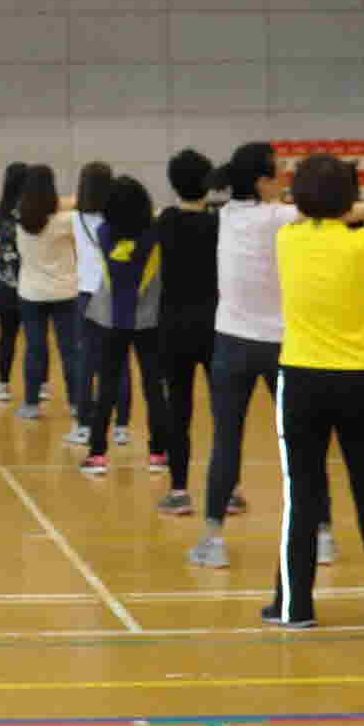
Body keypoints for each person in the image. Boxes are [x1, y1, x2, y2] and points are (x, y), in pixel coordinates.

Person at [265, 153, 364, 630]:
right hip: (362, 379)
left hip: (301, 378)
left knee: (301, 495)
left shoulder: (287, 239)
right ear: (350, 198)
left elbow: (320, 215)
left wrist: (351, 209)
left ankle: (294, 606)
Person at [195, 142, 291, 569]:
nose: (282, 179)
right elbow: (336, 212)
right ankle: (323, 533)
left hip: (231, 342)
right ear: (261, 181)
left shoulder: (227, 215)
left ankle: (213, 539)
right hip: (281, 343)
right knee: (299, 441)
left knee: (226, 440)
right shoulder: (280, 216)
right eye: (276, 172)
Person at [149, 149, 220, 514]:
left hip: (173, 326)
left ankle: (179, 491)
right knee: (225, 411)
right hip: (215, 324)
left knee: (178, 410)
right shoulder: (218, 223)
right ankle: (230, 490)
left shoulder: (164, 221)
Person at [79, 175, 161, 480]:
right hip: (150, 320)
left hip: (113, 320)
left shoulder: (104, 233)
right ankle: (158, 453)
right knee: (154, 387)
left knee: (107, 387)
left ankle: (97, 454)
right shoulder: (156, 234)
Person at [10, 164, 79, 423]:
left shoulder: (19, 217)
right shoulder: (65, 221)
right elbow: (77, 204)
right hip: (65, 292)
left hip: (31, 294)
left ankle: (31, 404)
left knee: (35, 349)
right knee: (70, 351)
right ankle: (76, 403)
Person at [70, 160, 118, 435]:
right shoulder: (117, 218)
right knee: (116, 360)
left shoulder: (74, 218)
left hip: (87, 294)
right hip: (114, 293)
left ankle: (84, 423)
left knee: (86, 360)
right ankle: (119, 424)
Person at [0, 162, 29, 403]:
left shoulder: (1, 210)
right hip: (31, 281)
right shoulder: (33, 211)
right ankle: (41, 385)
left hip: (4, 281)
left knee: (6, 335)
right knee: (35, 337)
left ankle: (3, 384)